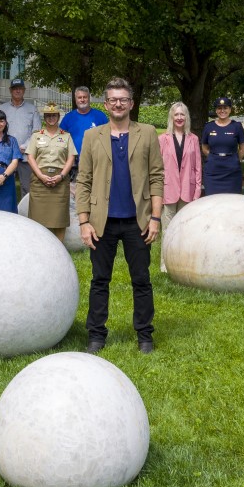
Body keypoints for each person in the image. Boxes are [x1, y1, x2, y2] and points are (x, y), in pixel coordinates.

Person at [76, 77, 164, 353]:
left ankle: (145, 335)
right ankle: (96, 334)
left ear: (131, 103)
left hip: (138, 221)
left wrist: (156, 218)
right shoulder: (93, 136)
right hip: (102, 222)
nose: (118, 104)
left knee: (142, 280)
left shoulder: (147, 132)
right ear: (106, 103)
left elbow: (157, 177)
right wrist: (84, 221)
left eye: (123, 99)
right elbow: (84, 180)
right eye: (113, 99)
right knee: (100, 280)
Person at [24, 102, 77, 242]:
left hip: (60, 181)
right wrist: (41, 176)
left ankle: (58, 248)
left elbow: (71, 158)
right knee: (37, 217)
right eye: (48, 115)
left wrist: (61, 176)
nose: (51, 118)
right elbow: (30, 157)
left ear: (58, 116)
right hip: (40, 180)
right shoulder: (37, 136)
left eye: (54, 115)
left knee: (59, 217)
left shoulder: (66, 136)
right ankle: (39, 246)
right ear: (44, 118)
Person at [158, 101, 202, 232]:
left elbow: (198, 167)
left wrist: (197, 191)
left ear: (186, 117)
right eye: (176, 114)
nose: (179, 118)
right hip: (168, 191)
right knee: (168, 230)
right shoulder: (162, 139)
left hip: (188, 190)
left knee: (185, 231)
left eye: (182, 114)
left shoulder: (193, 139)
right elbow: (157, 168)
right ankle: (166, 254)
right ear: (171, 117)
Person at [200, 96, 244, 194]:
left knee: (232, 202)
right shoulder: (209, 126)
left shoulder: (237, 126)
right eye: (219, 108)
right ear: (216, 110)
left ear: (230, 109)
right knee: (212, 202)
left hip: (232, 172)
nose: (222, 110)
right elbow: (204, 147)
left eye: (225, 108)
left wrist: (234, 159)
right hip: (213, 171)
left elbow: (243, 148)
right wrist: (213, 157)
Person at [3, 78, 41, 195]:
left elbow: (37, 132)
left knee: (28, 189)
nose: (17, 91)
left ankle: (26, 213)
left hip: (26, 156)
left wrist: (24, 146)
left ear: (24, 90)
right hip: (6, 156)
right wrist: (10, 147)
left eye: (20, 88)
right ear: (10, 90)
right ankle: (6, 212)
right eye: (15, 89)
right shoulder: (1, 109)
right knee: (5, 188)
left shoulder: (32, 109)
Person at [60, 86, 108, 160]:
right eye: (79, 97)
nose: (82, 100)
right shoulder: (68, 118)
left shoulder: (100, 116)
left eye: (84, 97)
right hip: (74, 162)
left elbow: (108, 137)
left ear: (89, 98)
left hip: (96, 160)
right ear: (75, 99)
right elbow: (61, 139)